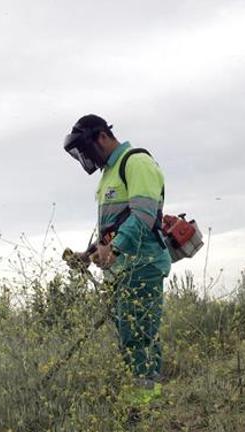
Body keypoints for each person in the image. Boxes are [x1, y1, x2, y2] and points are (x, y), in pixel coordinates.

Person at [63, 114, 171, 399]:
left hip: (142, 266)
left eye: (87, 150)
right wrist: (88, 255)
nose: (86, 157)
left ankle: (145, 404)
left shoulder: (136, 163)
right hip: (121, 270)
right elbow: (114, 226)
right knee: (129, 339)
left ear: (102, 137)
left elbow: (144, 214)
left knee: (140, 338)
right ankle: (141, 398)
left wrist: (115, 249)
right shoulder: (108, 175)